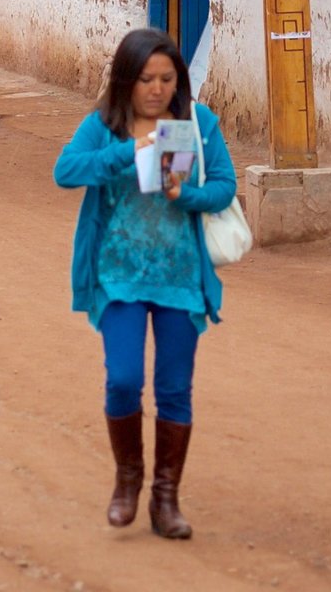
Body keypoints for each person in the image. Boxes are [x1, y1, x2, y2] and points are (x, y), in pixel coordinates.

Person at [53, 27, 237, 540]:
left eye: (166, 79)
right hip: (118, 276)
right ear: (125, 82)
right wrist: (128, 152)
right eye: (145, 79)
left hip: (179, 277)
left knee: (175, 389)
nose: (156, 90)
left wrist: (187, 195)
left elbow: (224, 186)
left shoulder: (198, 124)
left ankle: (166, 499)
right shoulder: (105, 126)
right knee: (124, 380)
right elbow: (65, 172)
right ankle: (128, 478)